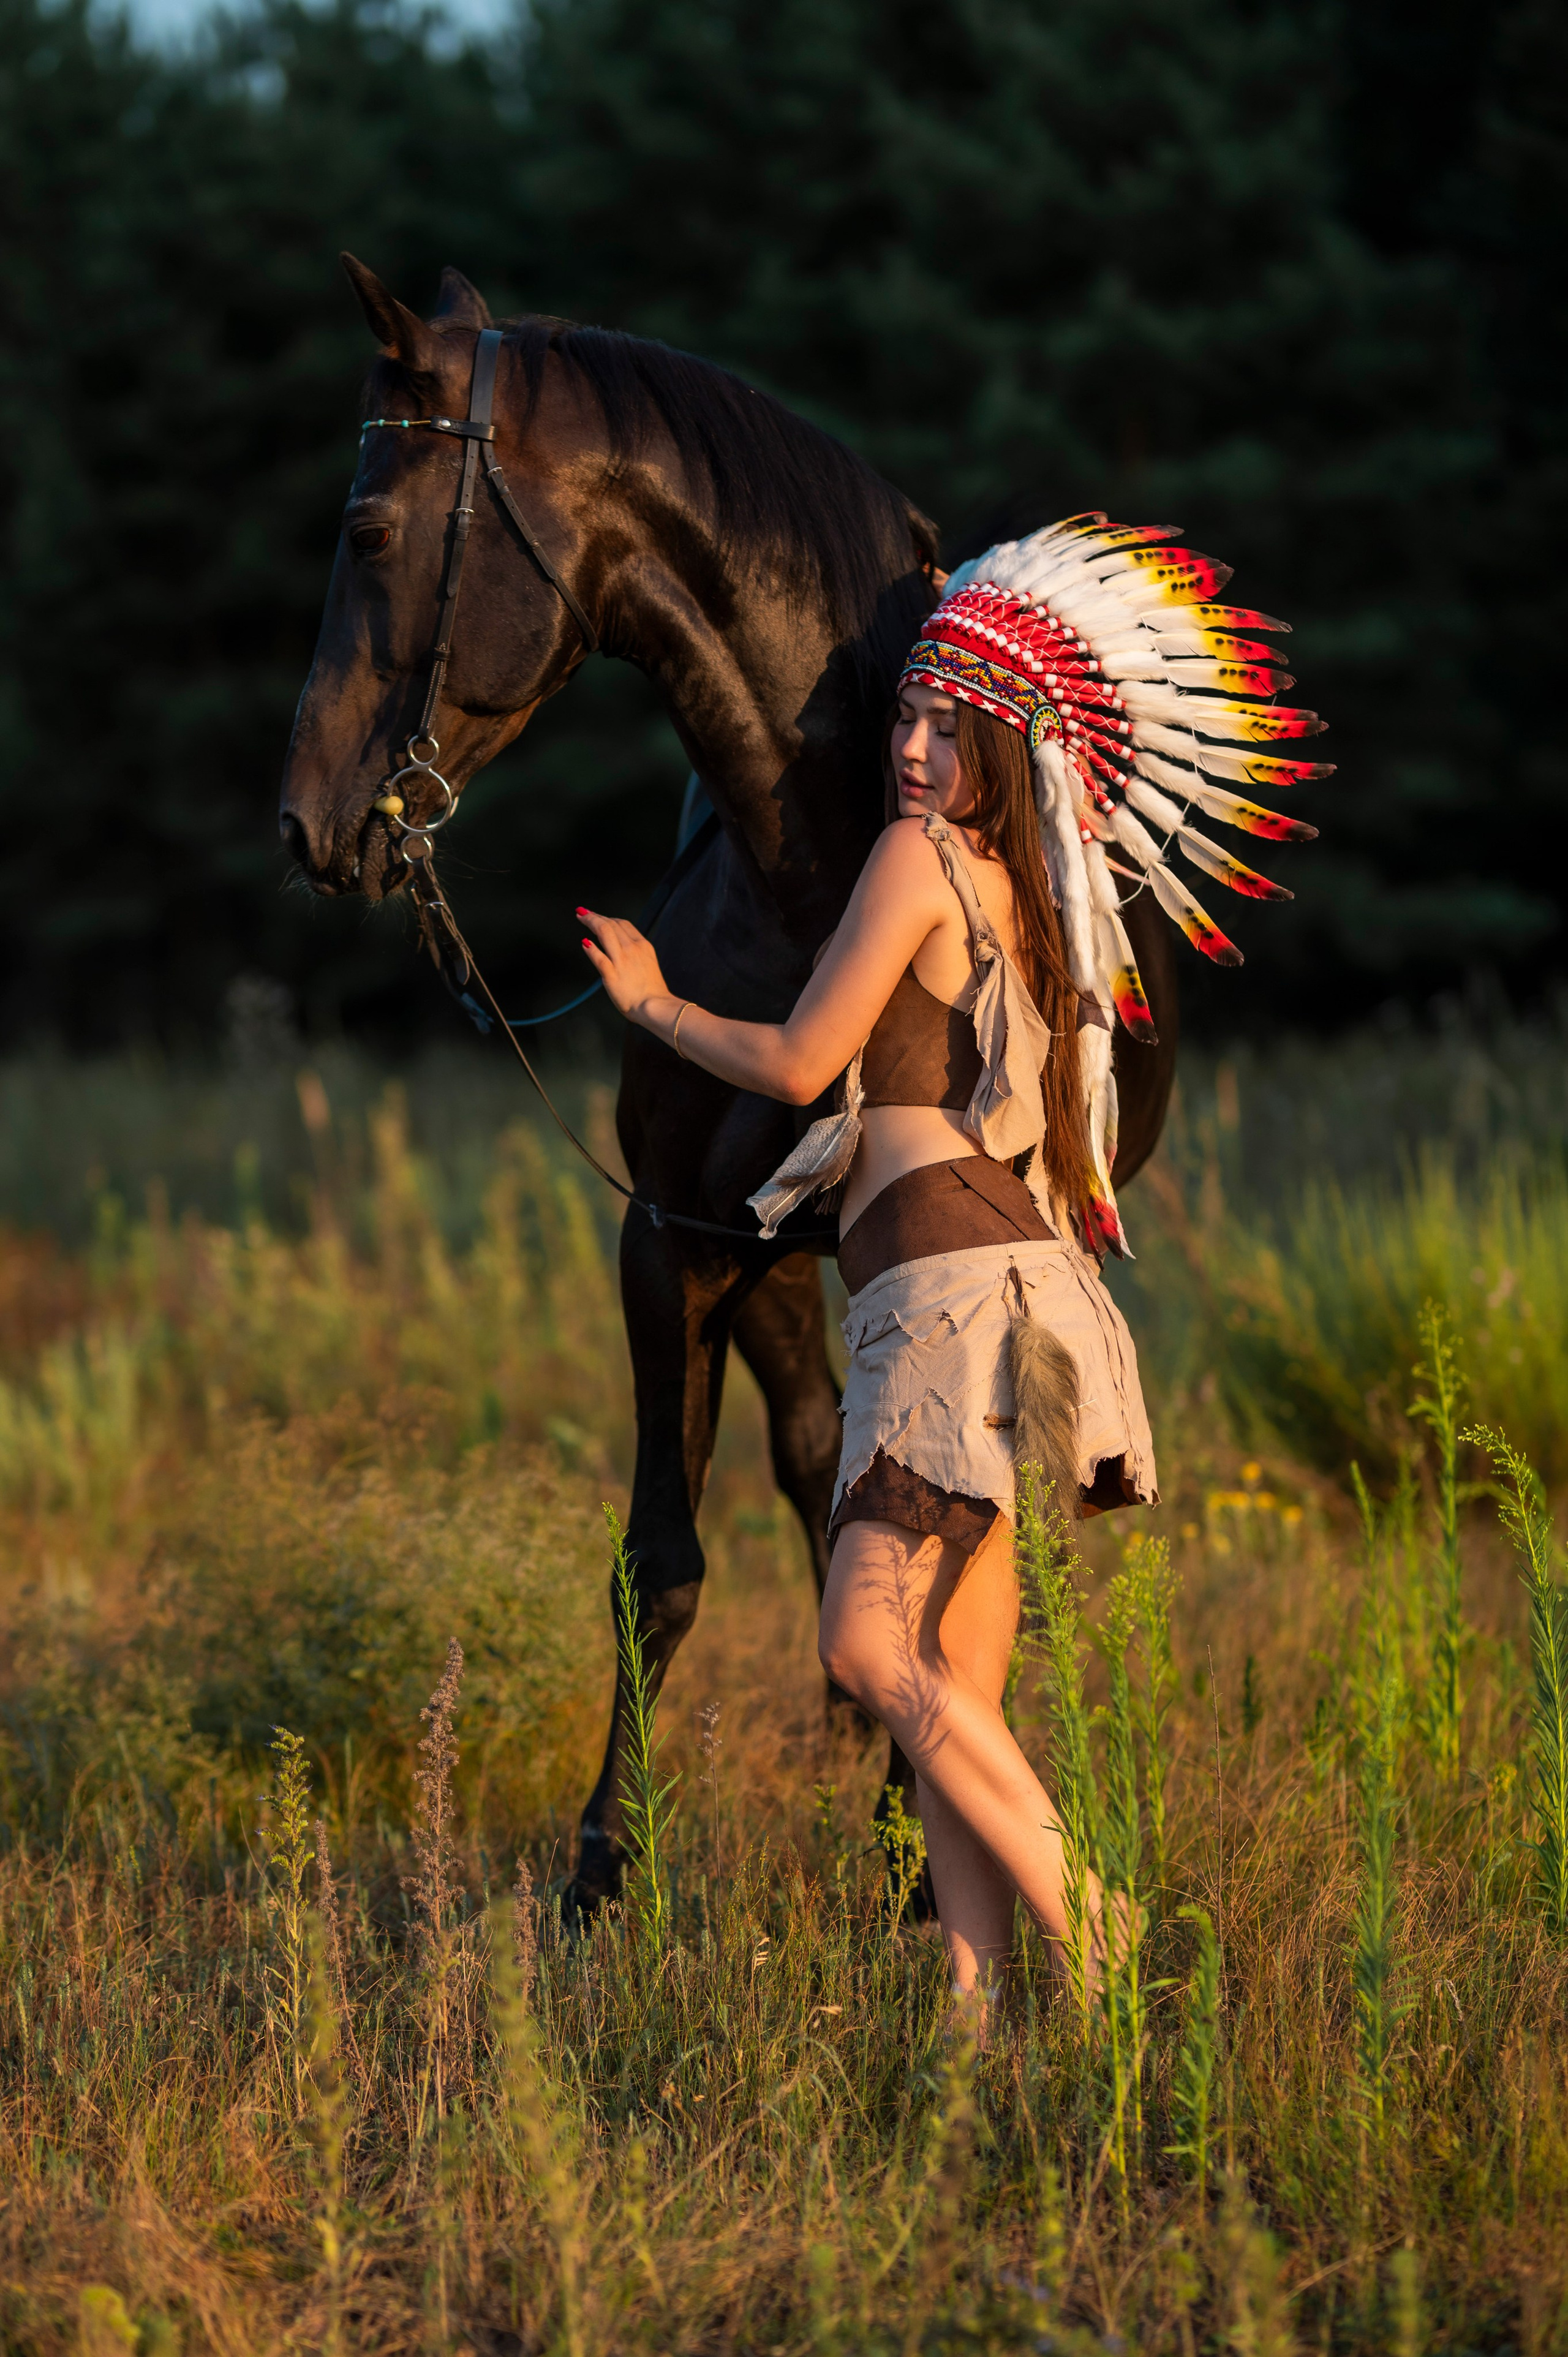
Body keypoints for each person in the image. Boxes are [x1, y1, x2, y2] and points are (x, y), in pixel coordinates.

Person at [579, 516, 1322, 2011]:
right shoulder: (1046, 896)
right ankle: (974, 2036)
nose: (911, 751)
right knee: (951, 1698)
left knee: (866, 1652)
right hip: (1040, 1303)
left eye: (945, 725)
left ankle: (1097, 1921)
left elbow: (798, 1061)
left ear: (1003, 744)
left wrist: (654, 1006)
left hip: (939, 1311)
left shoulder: (916, 858)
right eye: (903, 718)